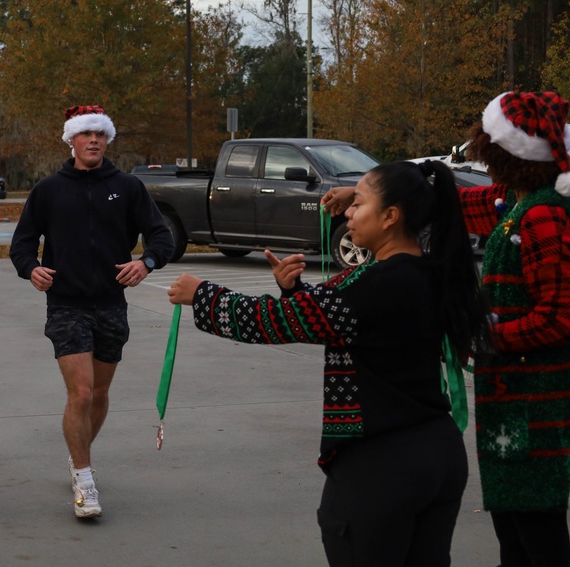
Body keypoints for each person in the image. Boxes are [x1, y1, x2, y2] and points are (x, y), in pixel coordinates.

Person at [169, 160, 490, 566]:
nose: (349, 212)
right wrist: (295, 290)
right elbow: (336, 323)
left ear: (391, 217)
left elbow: (273, 323)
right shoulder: (430, 272)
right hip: (438, 454)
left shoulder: (376, 283)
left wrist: (202, 294)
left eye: (359, 203)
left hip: (382, 465)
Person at [330, 92, 570, 567]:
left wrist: (483, 336)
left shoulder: (544, 215)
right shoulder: (513, 202)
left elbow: (559, 317)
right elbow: (454, 204)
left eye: (488, 148)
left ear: (510, 153)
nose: (481, 158)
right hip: (509, 404)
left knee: (538, 534)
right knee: (513, 530)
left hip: (536, 406)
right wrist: (355, 199)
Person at [9, 105, 174, 519]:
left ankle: (77, 453)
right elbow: (22, 245)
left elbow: (161, 236)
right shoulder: (49, 190)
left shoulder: (128, 187)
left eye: (101, 134)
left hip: (111, 305)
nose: (94, 141)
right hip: (66, 304)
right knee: (80, 392)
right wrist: (32, 269)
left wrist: (146, 262)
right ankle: (84, 477)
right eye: (87, 134)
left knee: (99, 394)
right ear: (72, 141)